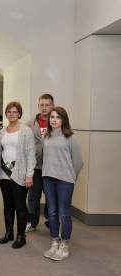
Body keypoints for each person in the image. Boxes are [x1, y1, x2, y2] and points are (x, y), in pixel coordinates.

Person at [42, 106, 83, 261]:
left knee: (64, 213)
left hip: (65, 180)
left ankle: (64, 244)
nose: (54, 119)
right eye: (52, 117)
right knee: (51, 212)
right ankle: (54, 242)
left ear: (63, 120)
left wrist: (71, 177)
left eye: (57, 117)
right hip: (48, 179)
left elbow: (78, 162)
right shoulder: (47, 136)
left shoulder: (71, 137)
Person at [0, 102, 35, 249]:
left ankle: (21, 236)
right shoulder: (2, 131)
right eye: (9, 111)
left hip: (19, 173)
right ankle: (8, 233)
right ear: (6, 113)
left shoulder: (26, 131)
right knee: (7, 205)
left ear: (19, 114)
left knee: (20, 205)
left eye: (15, 111)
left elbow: (31, 154)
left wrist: (29, 175)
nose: (12, 114)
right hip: (4, 173)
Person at [25, 94, 54, 232]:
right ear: (38, 106)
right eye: (41, 105)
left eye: (47, 105)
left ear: (52, 106)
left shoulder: (57, 122)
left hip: (52, 167)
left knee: (51, 196)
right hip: (35, 167)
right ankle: (32, 221)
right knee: (33, 196)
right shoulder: (31, 123)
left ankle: (51, 221)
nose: (44, 107)